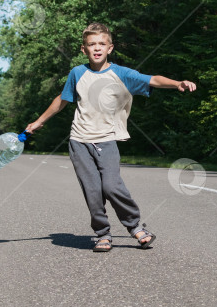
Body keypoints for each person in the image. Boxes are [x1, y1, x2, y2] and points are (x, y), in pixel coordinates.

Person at [24, 22, 197, 252]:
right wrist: (39, 121)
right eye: (91, 44)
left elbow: (152, 79)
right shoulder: (77, 73)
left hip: (107, 139)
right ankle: (103, 234)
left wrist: (177, 83)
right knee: (92, 190)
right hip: (79, 141)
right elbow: (62, 100)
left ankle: (135, 226)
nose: (97, 48)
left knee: (112, 186)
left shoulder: (121, 73)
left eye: (101, 44)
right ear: (83, 49)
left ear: (110, 48)